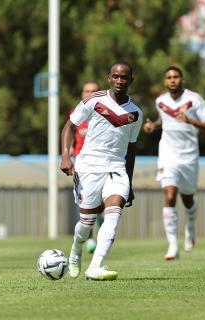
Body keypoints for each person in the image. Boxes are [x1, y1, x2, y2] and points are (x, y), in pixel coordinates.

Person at [60, 61, 143, 280]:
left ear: (130, 80)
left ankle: (95, 266)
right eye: (115, 76)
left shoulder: (135, 113)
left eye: (124, 77)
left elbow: (131, 150)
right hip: (88, 167)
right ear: (109, 78)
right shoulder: (94, 100)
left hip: (116, 169)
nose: (119, 81)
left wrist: (130, 183)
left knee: (113, 215)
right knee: (86, 224)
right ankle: (76, 251)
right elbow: (69, 125)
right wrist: (66, 156)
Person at [143, 66, 205, 260]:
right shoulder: (160, 101)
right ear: (165, 81)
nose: (172, 80)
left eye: (176, 77)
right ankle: (173, 246)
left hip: (189, 156)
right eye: (169, 77)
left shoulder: (195, 100)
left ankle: (190, 227)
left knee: (188, 199)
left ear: (182, 79)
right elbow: (162, 120)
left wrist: (191, 122)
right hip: (168, 154)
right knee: (170, 193)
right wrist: (153, 125)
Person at [68, 81, 104, 254]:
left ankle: (101, 223)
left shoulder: (106, 113)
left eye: (94, 91)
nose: (90, 94)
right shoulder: (77, 114)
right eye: (87, 91)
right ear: (82, 94)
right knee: (83, 199)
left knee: (102, 201)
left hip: (102, 162)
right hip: (81, 162)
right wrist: (67, 155)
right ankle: (88, 238)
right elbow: (69, 133)